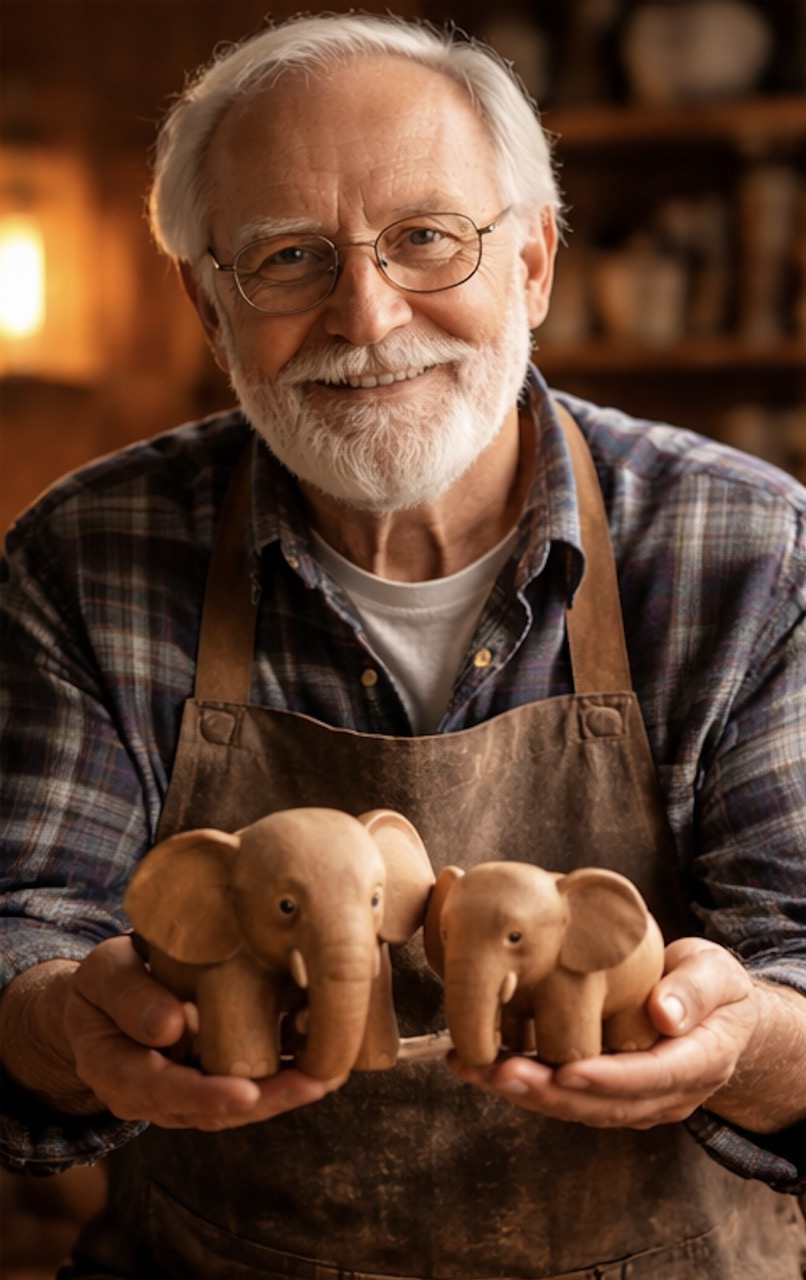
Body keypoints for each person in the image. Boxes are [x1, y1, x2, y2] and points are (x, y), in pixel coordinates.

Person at [1, 11, 804, 1278]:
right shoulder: (85, 552)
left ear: (530, 263)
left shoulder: (753, 550)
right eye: (288, 257)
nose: (366, 317)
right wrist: (70, 1019)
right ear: (208, 305)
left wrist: (741, 1036)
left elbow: (797, 962)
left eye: (426, 237)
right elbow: (24, 923)